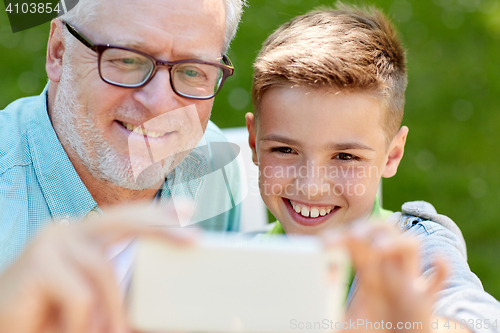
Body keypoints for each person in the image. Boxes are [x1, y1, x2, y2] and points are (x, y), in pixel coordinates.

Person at [246, 4, 500, 332]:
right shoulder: (240, 259)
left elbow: (480, 321)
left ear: (392, 155)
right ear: (254, 144)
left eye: (345, 157)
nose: (311, 186)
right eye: (285, 150)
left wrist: (415, 323)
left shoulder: (412, 249)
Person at [0, 0, 246, 331]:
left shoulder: (213, 169)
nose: (160, 104)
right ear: (58, 52)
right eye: (127, 59)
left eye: (192, 70)